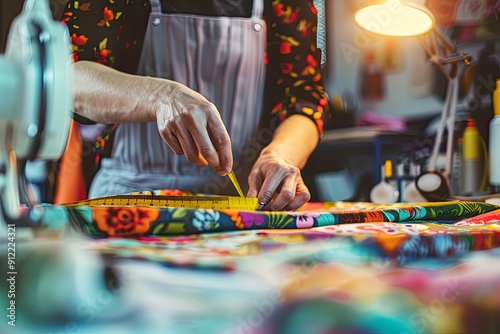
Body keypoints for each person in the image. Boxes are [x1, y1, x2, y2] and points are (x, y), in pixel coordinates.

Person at [59, 0, 330, 211]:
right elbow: (69, 79)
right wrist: (160, 96)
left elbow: (304, 98)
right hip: (129, 198)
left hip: (246, 207)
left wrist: (280, 156)